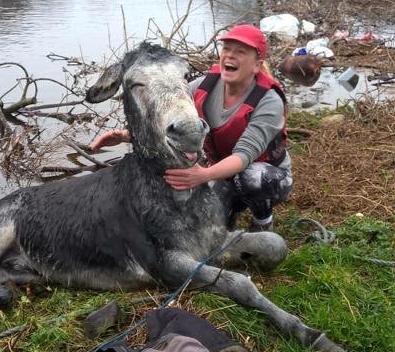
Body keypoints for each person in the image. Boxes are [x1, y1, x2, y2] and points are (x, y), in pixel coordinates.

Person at [90, 24, 292, 231]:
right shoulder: (204, 85)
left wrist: (203, 176)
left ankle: (262, 220)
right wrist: (126, 136)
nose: (230, 56)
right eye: (226, 49)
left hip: (265, 173)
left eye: (240, 52)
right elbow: (172, 119)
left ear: (257, 65)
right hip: (219, 170)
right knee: (206, 220)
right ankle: (229, 210)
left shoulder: (269, 101)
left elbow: (244, 155)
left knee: (253, 179)